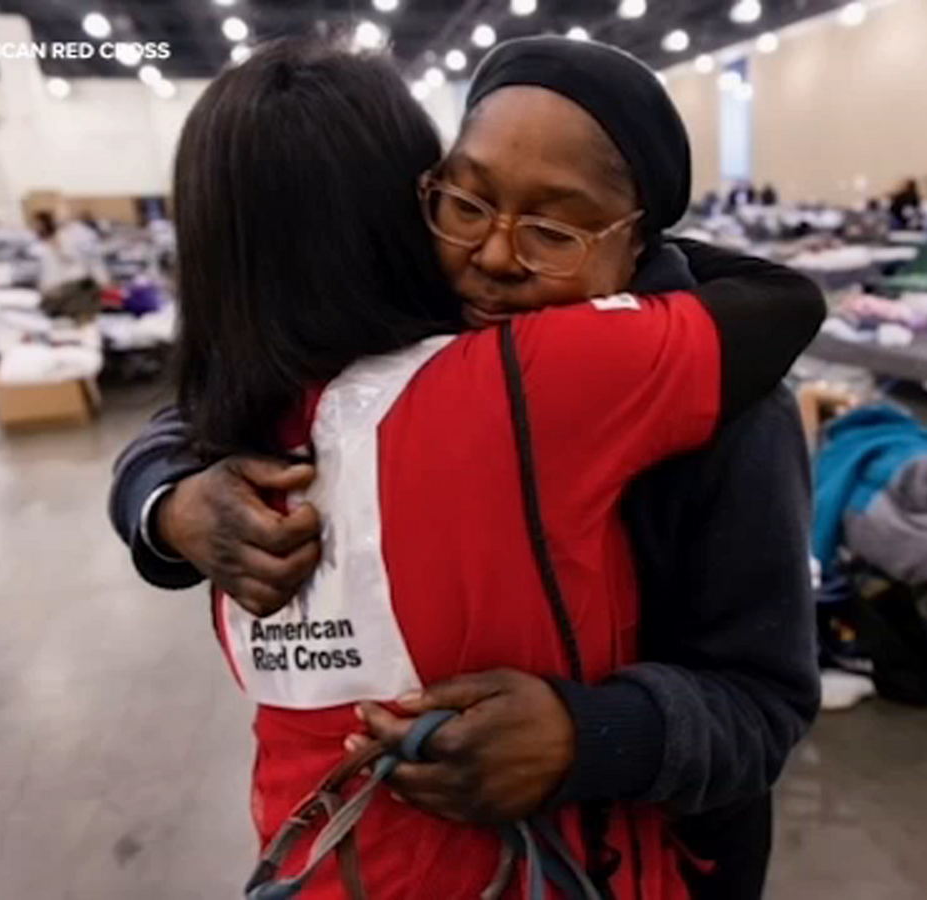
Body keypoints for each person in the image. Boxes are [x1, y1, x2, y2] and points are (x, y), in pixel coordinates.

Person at [115, 38, 822, 898]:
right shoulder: (409, 334)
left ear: (636, 241)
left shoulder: (734, 413)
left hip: (655, 860)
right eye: (466, 202)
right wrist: (166, 504)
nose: (493, 255)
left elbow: (766, 703)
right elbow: (202, 408)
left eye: (555, 228)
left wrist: (590, 735)